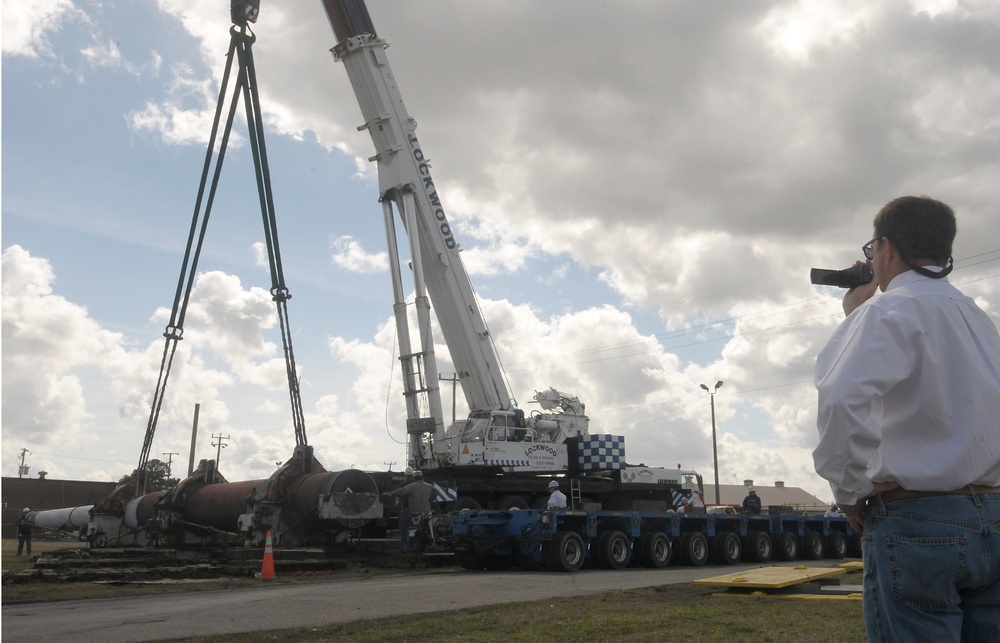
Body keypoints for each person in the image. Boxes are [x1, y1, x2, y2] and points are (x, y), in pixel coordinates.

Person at [813, 196, 1000, 642]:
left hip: (917, 522)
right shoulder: (980, 321)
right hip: (993, 515)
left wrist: (850, 490)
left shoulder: (883, 313)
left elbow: (842, 398)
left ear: (886, 248)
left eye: (870, 251)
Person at [383, 470, 436, 551]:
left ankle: (412, 546)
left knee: (412, 528)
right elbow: (436, 492)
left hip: (414, 510)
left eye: (410, 476)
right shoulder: (426, 485)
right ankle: (410, 546)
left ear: (414, 476)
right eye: (407, 476)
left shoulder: (415, 485)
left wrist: (390, 493)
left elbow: (401, 491)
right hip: (415, 509)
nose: (408, 477)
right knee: (411, 528)